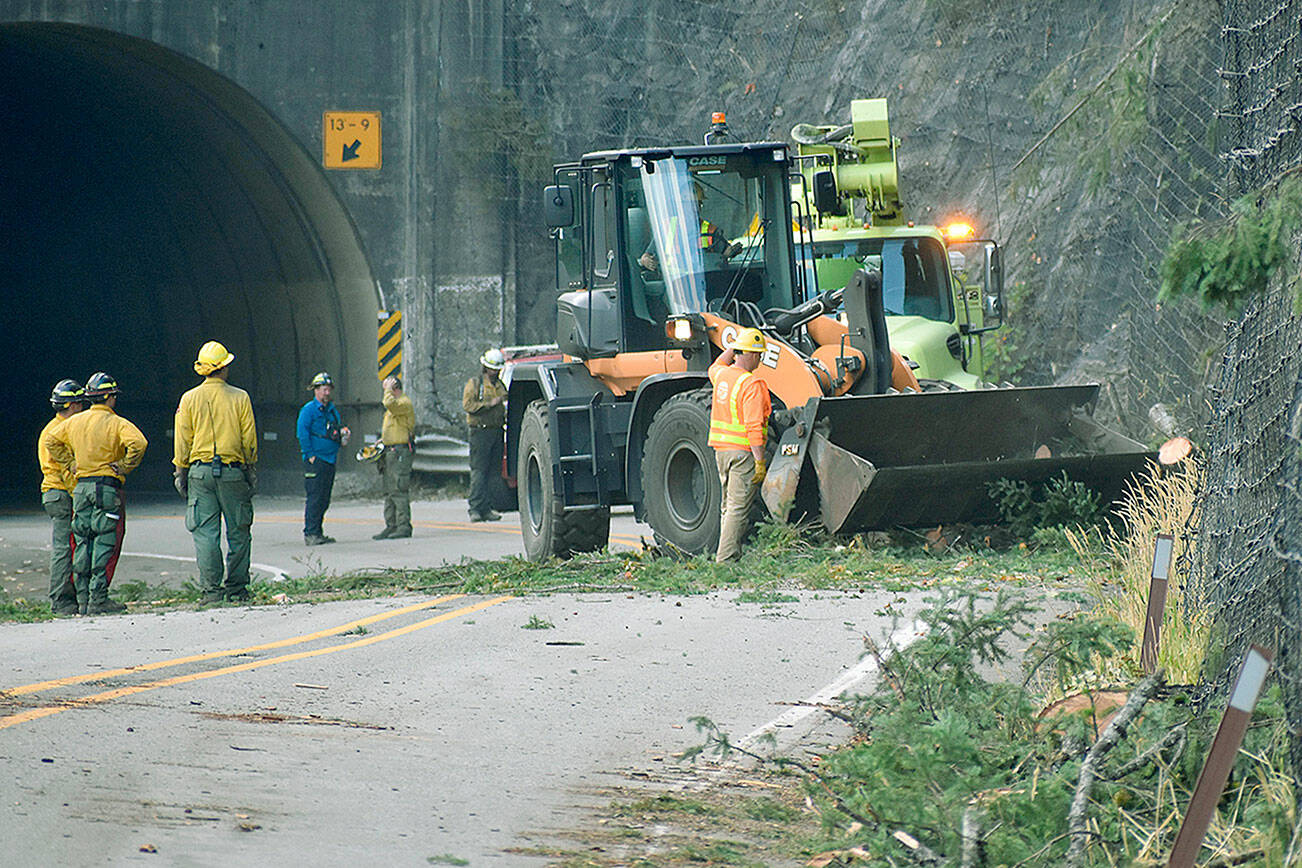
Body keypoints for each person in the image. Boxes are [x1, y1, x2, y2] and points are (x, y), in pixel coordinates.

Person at [43, 372, 147, 615]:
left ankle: (81, 600)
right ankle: (98, 598)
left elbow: (51, 441)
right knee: (104, 541)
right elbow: (139, 443)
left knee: (82, 542)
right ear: (109, 397)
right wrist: (123, 466)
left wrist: (70, 464)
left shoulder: (74, 423)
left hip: (81, 489)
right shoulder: (117, 423)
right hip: (105, 488)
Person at [173, 341, 259, 603]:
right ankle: (237, 589)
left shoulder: (188, 399)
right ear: (224, 368)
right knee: (239, 532)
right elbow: (249, 440)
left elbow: (182, 439)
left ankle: (211, 592)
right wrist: (250, 469)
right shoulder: (240, 397)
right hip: (233, 472)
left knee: (205, 532)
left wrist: (180, 471)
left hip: (200, 473)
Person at [708, 328, 772, 563]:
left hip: (721, 451)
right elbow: (754, 427)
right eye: (759, 354)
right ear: (752, 355)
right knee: (738, 508)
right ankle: (726, 560)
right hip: (743, 452)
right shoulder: (751, 384)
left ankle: (728, 555)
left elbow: (714, 366)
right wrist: (760, 461)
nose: (760, 359)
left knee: (727, 506)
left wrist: (732, 347)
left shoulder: (722, 376)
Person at [38, 379, 85, 616]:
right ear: (73, 405)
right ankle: (61, 600)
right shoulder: (60, 432)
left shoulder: (52, 427)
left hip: (54, 493)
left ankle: (69, 596)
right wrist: (78, 495)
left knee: (66, 546)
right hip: (61, 493)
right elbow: (67, 470)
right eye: (80, 403)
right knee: (64, 548)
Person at [637, 180, 737, 273]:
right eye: (689, 205)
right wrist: (645, 260)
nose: (694, 209)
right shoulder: (666, 229)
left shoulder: (712, 231)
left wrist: (731, 252)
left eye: (697, 204)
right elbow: (647, 255)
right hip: (672, 288)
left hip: (706, 284)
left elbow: (725, 253)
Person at [297, 372, 349, 545]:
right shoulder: (308, 410)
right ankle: (310, 533)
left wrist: (343, 435)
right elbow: (302, 434)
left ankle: (318, 532)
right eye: (324, 389)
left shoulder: (332, 411)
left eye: (329, 390)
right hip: (316, 461)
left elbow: (336, 429)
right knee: (315, 497)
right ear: (316, 390)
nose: (327, 393)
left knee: (324, 498)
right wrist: (310, 455)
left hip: (330, 459)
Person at [462, 348, 507, 522]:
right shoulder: (475, 384)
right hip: (480, 432)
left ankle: (487, 508)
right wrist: (489, 404)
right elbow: (468, 405)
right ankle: (475, 508)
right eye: (492, 368)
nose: (495, 372)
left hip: (496, 431)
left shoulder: (500, 385)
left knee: (493, 473)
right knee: (479, 472)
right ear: (485, 367)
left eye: (497, 369)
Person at [373, 375, 415, 540]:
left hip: (400, 452)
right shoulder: (394, 409)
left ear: (395, 389)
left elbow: (389, 403)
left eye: (389, 388)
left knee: (398, 488)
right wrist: (384, 440)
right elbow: (396, 427)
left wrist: (387, 389)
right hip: (390, 451)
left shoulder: (403, 403)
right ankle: (391, 525)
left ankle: (404, 525)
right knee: (389, 491)